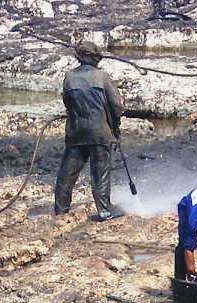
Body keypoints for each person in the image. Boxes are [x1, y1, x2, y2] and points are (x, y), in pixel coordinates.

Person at [55, 40, 124, 222]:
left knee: (67, 174)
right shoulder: (102, 77)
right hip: (100, 133)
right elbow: (117, 106)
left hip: (75, 132)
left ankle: (61, 211)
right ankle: (105, 211)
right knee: (100, 173)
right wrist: (115, 125)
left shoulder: (69, 77)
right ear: (94, 58)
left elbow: (68, 103)